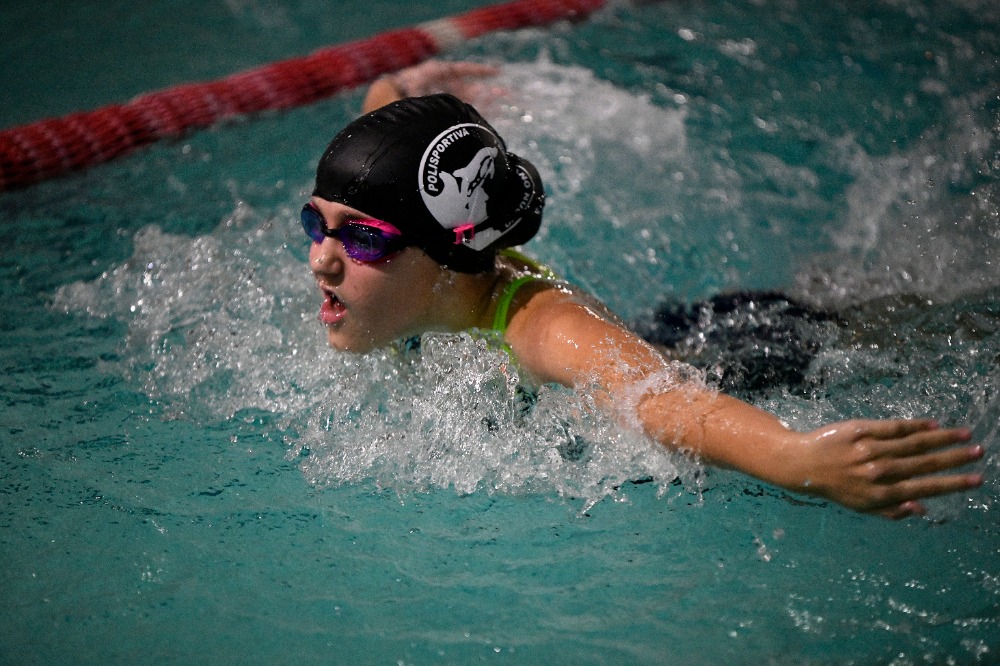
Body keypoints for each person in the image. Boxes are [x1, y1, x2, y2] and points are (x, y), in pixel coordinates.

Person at [303, 61, 984, 519]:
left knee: (890, 328)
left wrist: (794, 458)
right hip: (660, 329)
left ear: (447, 257)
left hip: (748, 361)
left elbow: (662, 401)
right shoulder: (417, 268)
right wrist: (396, 92)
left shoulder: (544, 330)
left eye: (361, 239)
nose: (321, 261)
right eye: (316, 223)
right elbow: (383, 163)